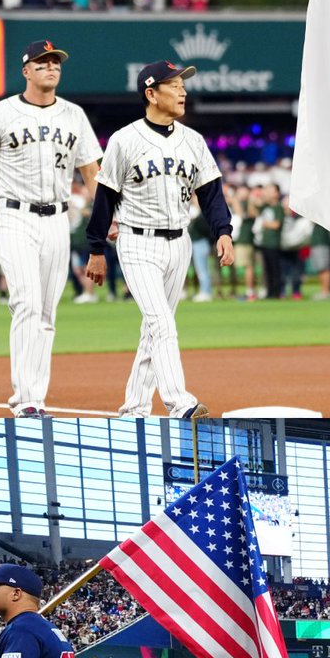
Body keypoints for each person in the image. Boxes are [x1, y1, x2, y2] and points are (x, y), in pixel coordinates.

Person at [0, 40, 102, 416]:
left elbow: (91, 171)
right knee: (27, 303)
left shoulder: (74, 115)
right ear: (25, 71)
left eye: (55, 63)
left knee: (47, 313)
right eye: (42, 63)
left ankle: (36, 395)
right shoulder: (0, 113)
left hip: (58, 219)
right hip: (14, 216)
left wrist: (107, 218)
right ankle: (26, 399)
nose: (51, 67)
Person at [84, 59, 233, 418]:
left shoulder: (193, 141)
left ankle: (134, 408)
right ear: (151, 94)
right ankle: (180, 403)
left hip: (179, 243)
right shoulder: (124, 140)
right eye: (174, 85)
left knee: (154, 331)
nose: (183, 91)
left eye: (183, 84)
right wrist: (96, 249)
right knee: (162, 324)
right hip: (137, 242)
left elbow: (211, 193)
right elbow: (105, 198)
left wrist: (223, 231)